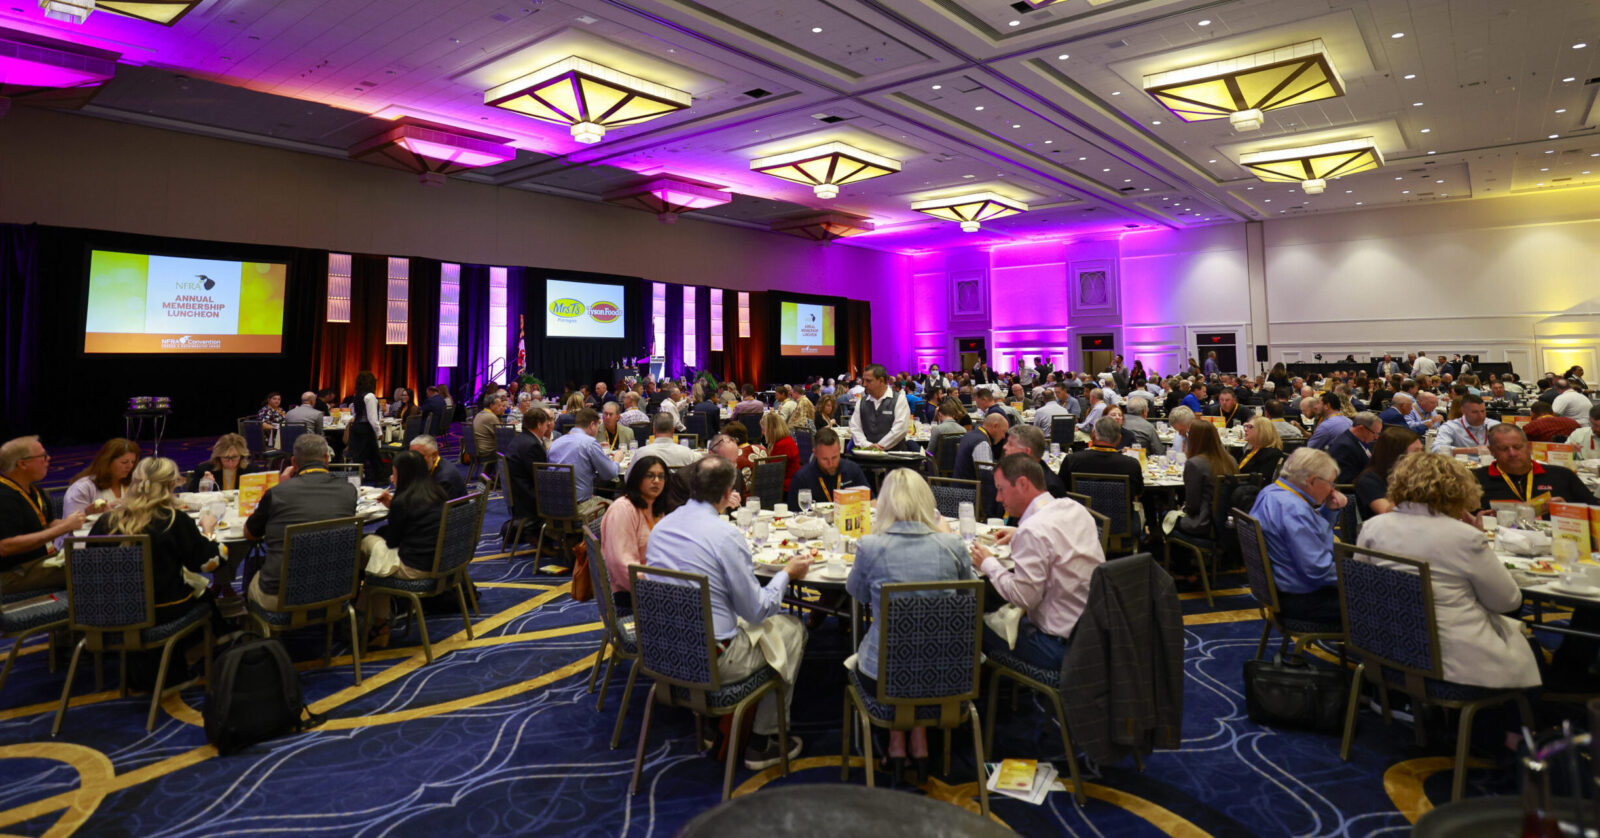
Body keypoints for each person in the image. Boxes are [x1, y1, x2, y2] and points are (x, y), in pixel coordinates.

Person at [646, 456, 809, 769]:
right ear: (726, 494)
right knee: (792, 628)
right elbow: (759, 610)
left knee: (731, 615)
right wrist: (786, 574)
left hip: (662, 651)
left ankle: (711, 722)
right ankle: (763, 740)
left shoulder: (662, 527)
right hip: (713, 660)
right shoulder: (725, 535)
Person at [1356, 453, 1540, 689]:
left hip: (1387, 646)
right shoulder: (1465, 537)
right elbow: (1508, 602)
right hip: (1452, 661)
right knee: (1531, 650)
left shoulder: (1373, 527)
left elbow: (1362, 587)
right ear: (1458, 489)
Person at [846, 469, 974, 778]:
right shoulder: (953, 546)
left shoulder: (870, 547)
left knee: (893, 651)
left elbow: (857, 594)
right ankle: (918, 739)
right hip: (947, 674)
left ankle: (897, 742)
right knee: (921, 648)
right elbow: (969, 598)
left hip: (883, 676)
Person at [970, 454, 1105, 673]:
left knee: (972, 623)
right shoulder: (1074, 509)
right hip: (1093, 634)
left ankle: (988, 689)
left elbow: (1024, 598)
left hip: (1058, 649)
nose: (997, 498)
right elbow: (1056, 541)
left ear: (1023, 484)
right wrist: (1018, 533)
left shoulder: (1033, 530)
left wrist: (987, 563)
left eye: (1001, 489)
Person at [89, 457, 221, 625]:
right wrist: (209, 532)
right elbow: (206, 563)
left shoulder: (106, 521)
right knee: (204, 595)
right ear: (171, 484)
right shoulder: (173, 520)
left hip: (108, 612)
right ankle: (218, 637)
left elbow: (89, 563)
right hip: (162, 609)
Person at [244, 434, 359, 610]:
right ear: (326, 458)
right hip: (335, 589)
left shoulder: (277, 493)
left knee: (252, 571)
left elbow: (250, 534)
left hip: (282, 596)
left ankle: (249, 624)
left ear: (293, 462)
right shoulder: (349, 491)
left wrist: (280, 485)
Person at [1250, 448, 1347, 623]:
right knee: (1382, 605)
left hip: (1281, 590)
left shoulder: (1271, 492)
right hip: (1303, 599)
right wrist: (1359, 577)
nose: (1332, 489)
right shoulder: (1294, 509)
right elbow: (1318, 570)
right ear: (1312, 481)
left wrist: (1329, 510)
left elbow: (1311, 533)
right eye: (1331, 483)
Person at [359, 450, 446, 644]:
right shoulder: (437, 492)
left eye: (394, 473)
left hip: (416, 569)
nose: (392, 477)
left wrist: (394, 509)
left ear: (402, 474)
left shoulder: (404, 500)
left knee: (367, 548)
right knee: (375, 556)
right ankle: (372, 617)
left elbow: (392, 542)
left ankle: (366, 616)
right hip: (440, 563)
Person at [0, 436, 82, 593]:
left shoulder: (34, 490)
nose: (48, 459)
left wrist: (86, 516)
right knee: (86, 568)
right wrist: (63, 528)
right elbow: (5, 546)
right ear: (22, 464)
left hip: (40, 561)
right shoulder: (4, 497)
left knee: (87, 557)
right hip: (12, 572)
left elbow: (47, 524)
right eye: (43, 456)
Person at [602, 455, 675, 611]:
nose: (656, 481)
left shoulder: (654, 506)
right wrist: (660, 587)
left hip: (653, 580)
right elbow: (622, 565)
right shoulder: (623, 510)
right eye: (650, 475)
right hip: (632, 593)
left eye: (661, 476)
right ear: (637, 479)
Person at [1475, 424, 1599, 509]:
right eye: (1503, 449)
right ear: (1492, 451)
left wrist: (1567, 510)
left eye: (1517, 447)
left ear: (1529, 447)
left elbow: (1595, 513)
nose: (1512, 453)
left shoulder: (1562, 476)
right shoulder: (1476, 479)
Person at [547, 407, 622, 520]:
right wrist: (616, 460)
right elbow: (609, 474)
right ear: (592, 425)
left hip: (553, 507)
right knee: (620, 508)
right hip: (578, 509)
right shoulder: (589, 443)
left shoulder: (555, 443)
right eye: (597, 426)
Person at [1173, 421, 1237, 541]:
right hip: (1229, 522)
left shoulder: (1195, 464)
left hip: (1204, 523)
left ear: (1193, 438)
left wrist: (1182, 509)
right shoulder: (1231, 460)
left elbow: (1193, 506)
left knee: (1167, 520)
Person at [1058, 417, 1142, 497]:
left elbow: (1061, 490)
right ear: (1119, 439)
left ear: (1093, 435)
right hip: (1121, 508)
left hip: (1082, 507)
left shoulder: (1072, 460)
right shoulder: (1132, 464)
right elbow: (1138, 493)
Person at [787, 427, 869, 507]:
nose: (830, 463)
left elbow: (871, 502)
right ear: (815, 453)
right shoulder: (802, 478)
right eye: (825, 459)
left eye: (834, 457)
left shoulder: (853, 470)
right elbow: (794, 513)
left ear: (840, 450)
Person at [1354, 426, 1421, 518]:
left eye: (1422, 450)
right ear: (1397, 454)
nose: (1422, 455)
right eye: (1416, 451)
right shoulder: (1369, 480)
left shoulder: (1416, 475)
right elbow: (1388, 514)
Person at [63, 438, 141, 517]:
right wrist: (88, 514)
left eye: (133, 462)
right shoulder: (81, 488)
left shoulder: (134, 484)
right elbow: (70, 523)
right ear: (107, 462)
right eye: (124, 462)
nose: (130, 466)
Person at [502, 408, 550, 524]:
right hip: (528, 500)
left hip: (517, 495)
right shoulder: (532, 446)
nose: (547, 428)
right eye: (545, 425)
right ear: (539, 425)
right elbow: (542, 480)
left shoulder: (519, 439)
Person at [849, 364, 911, 451]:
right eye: (863, 380)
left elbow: (900, 428)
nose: (864, 384)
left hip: (894, 456)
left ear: (881, 380)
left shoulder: (899, 400)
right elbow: (855, 427)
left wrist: (880, 446)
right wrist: (867, 445)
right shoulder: (861, 402)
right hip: (866, 455)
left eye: (868, 381)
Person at [629, 412, 701, 476]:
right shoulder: (688, 454)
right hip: (679, 487)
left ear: (654, 430)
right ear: (673, 430)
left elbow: (628, 478)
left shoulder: (641, 454)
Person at [1003, 424, 1066, 497]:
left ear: (1026, 452)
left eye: (1010, 444)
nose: (1004, 447)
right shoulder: (1007, 473)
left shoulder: (1049, 488)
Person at [347, 371, 385, 483]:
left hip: (357, 428)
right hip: (366, 429)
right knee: (368, 456)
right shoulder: (370, 396)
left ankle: (379, 478)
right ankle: (355, 481)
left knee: (369, 455)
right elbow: (372, 418)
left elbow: (356, 414)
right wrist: (379, 432)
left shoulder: (357, 396)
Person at [187, 433, 260, 493]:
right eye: (226, 457)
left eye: (234, 457)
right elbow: (191, 495)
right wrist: (204, 486)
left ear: (242, 456)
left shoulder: (251, 470)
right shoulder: (204, 470)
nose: (230, 462)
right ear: (218, 456)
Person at [1431, 394, 1498, 456]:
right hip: (1462, 464)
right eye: (1475, 412)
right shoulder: (1450, 426)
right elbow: (1436, 449)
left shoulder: (1495, 425)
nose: (1480, 415)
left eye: (1483, 411)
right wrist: (1472, 450)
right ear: (1463, 411)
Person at [1329, 411, 1383, 484]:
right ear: (1361, 429)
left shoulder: (1360, 440)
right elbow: (1346, 480)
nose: (1376, 437)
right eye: (1374, 433)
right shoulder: (1345, 447)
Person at [409, 434, 468, 500]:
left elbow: (432, 505)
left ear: (434, 455)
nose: (414, 460)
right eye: (412, 456)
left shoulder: (444, 480)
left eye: (420, 456)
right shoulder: (433, 463)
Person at [954, 414, 1010, 481]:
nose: (1004, 437)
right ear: (995, 426)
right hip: (970, 486)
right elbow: (986, 476)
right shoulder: (981, 443)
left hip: (961, 484)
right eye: (1003, 432)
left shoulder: (970, 434)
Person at [760, 411, 801, 494]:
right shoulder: (787, 440)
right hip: (791, 483)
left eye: (764, 429)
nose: (762, 433)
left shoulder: (781, 445)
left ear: (771, 430)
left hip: (786, 488)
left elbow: (774, 472)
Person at [472, 392, 509, 474]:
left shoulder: (480, 414)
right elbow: (502, 437)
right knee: (511, 449)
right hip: (487, 452)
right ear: (492, 406)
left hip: (477, 450)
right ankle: (503, 476)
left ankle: (495, 475)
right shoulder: (491, 416)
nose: (501, 408)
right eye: (499, 405)